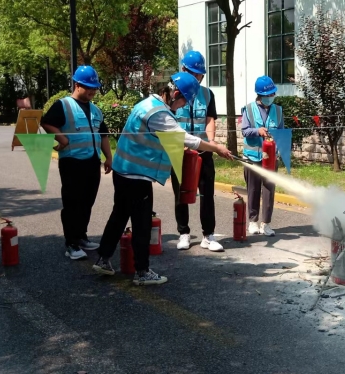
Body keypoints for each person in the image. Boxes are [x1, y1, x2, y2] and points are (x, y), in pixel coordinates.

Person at [91, 72, 234, 285]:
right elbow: (186, 138)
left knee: (119, 216)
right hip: (136, 175)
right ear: (175, 94)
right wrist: (216, 148)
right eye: (184, 101)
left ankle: (103, 259)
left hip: (123, 171)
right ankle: (142, 272)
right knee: (142, 224)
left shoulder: (147, 103)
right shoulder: (159, 114)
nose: (184, 105)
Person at [42, 65, 112, 261]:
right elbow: (47, 122)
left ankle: (81, 236)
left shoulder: (96, 110)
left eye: (95, 88)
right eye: (89, 87)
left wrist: (109, 157)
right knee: (72, 203)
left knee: (87, 201)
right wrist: (62, 139)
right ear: (77, 85)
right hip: (72, 162)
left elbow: (103, 134)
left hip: (92, 161)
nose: (92, 91)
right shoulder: (63, 105)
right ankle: (71, 243)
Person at [171, 50, 223, 252]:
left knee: (207, 194)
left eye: (200, 75)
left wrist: (212, 142)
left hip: (203, 150)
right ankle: (183, 233)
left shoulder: (207, 94)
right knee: (180, 193)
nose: (197, 78)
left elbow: (210, 119)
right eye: (193, 74)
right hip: (179, 150)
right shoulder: (173, 93)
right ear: (183, 70)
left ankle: (208, 235)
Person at [241, 76, 284, 237]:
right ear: (260, 94)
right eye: (268, 94)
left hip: (271, 158)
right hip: (252, 157)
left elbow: (281, 133)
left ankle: (266, 223)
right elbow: (245, 131)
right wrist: (257, 131)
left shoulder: (278, 110)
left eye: (273, 94)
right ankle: (253, 221)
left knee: (269, 190)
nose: (271, 97)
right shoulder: (248, 109)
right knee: (253, 189)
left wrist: (279, 152)